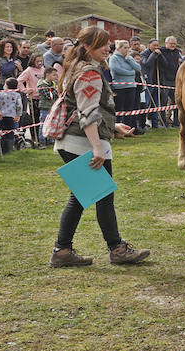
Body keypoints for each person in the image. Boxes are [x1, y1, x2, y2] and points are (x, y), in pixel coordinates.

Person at [49, 26, 150, 268]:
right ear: (86, 47)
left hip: (75, 141)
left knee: (87, 196)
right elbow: (87, 113)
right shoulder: (89, 73)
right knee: (102, 196)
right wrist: (96, 147)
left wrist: (113, 127)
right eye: (102, 44)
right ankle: (116, 249)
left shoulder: (77, 68)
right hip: (83, 143)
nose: (108, 48)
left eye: (108, 43)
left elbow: (82, 109)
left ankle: (63, 251)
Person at [107, 40, 144, 134]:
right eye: (125, 48)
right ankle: (117, 131)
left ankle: (128, 129)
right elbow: (116, 70)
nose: (127, 49)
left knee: (129, 109)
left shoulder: (129, 58)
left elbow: (138, 68)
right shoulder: (114, 58)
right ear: (119, 48)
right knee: (119, 109)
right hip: (120, 87)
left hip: (131, 86)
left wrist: (129, 60)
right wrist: (131, 73)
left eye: (128, 47)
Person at [18, 54, 46, 147]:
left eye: (41, 61)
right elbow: (19, 81)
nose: (39, 63)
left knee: (43, 118)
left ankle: (44, 138)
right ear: (33, 61)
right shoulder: (29, 70)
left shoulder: (43, 70)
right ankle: (35, 139)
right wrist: (26, 90)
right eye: (37, 61)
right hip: (33, 97)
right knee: (35, 119)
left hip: (43, 97)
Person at [0, 76, 23, 154]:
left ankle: (3, 149)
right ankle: (9, 150)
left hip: (2, 116)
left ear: (7, 86)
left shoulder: (0, 94)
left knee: (3, 132)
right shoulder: (17, 95)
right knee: (10, 133)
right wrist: (18, 115)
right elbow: (19, 105)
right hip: (11, 116)